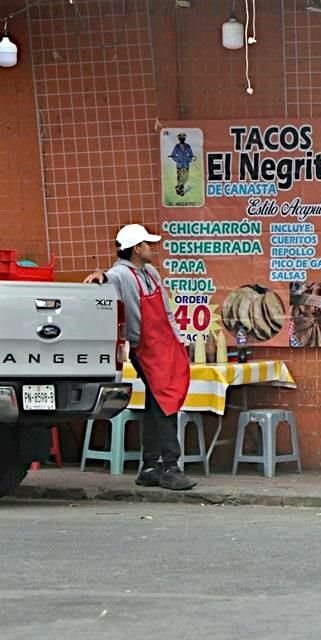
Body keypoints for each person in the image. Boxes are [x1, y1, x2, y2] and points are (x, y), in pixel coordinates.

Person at [84, 224, 196, 491]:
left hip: (165, 344)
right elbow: (106, 281)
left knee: (157, 404)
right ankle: (170, 466)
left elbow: (167, 311)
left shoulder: (151, 273)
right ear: (136, 249)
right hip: (143, 347)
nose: (152, 248)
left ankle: (149, 467)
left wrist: (179, 340)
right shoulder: (121, 275)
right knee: (164, 403)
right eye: (148, 244)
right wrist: (100, 274)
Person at [170, 132, 195, 197]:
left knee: (186, 178)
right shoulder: (177, 146)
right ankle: (181, 191)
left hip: (186, 164)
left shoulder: (187, 146)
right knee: (180, 178)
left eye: (183, 138)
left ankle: (177, 188)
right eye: (180, 138)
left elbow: (191, 155)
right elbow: (173, 155)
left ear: (185, 139)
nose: (182, 139)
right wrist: (177, 160)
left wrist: (188, 160)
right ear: (179, 139)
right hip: (179, 165)